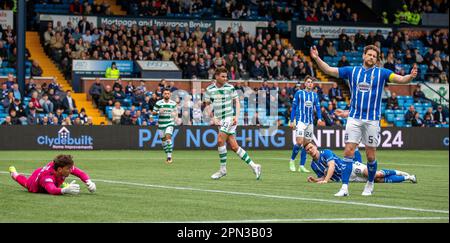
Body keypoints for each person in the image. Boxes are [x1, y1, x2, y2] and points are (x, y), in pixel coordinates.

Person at [310, 44, 417, 196]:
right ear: (363, 56)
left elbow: (400, 79)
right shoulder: (352, 71)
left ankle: (370, 184)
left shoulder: (382, 73)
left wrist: (410, 77)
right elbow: (329, 70)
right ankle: (344, 188)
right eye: (369, 55)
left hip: (372, 120)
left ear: (376, 59)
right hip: (354, 118)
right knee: (348, 152)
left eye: (374, 56)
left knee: (370, 156)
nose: (372, 57)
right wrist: (316, 58)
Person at [205, 67, 261, 180]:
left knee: (220, 140)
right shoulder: (209, 89)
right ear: (216, 76)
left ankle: (222, 170)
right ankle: (254, 166)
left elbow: (237, 102)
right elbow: (207, 105)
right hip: (220, 119)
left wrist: (237, 116)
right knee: (234, 147)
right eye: (223, 76)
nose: (225, 78)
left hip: (229, 118)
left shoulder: (230, 88)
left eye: (226, 76)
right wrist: (213, 118)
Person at [304, 143, 417, 184]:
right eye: (307, 150)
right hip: (349, 179)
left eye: (311, 147)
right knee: (377, 181)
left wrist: (325, 181)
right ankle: (408, 177)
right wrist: (315, 179)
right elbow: (323, 176)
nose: (310, 150)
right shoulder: (313, 165)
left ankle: (399, 172)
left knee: (375, 175)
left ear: (315, 146)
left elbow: (331, 166)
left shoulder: (326, 152)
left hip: (350, 168)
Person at [8, 154, 96, 195]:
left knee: (59, 183)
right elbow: (51, 190)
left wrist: (89, 182)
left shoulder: (63, 167)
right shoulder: (47, 177)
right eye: (68, 169)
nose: (71, 170)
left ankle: (62, 185)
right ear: (60, 169)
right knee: (25, 182)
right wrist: (64, 190)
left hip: (52, 176)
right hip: (34, 183)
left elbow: (81, 173)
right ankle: (14, 173)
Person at [289, 75, 322, 173]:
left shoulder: (314, 95)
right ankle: (292, 160)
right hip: (300, 121)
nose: (310, 84)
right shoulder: (299, 93)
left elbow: (318, 107)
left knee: (307, 144)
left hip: (310, 123)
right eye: (308, 82)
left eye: (311, 82)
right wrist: (292, 120)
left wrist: (319, 118)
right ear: (305, 83)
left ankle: (302, 165)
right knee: (299, 142)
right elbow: (294, 107)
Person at [152, 89, 177, 164]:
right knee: (163, 142)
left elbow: (176, 113)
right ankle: (167, 155)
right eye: (165, 93)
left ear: (170, 95)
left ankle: (169, 157)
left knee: (168, 137)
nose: (167, 95)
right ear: (163, 94)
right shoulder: (159, 103)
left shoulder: (173, 103)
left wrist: (174, 115)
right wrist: (159, 112)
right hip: (161, 124)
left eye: (168, 93)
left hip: (169, 123)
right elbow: (153, 113)